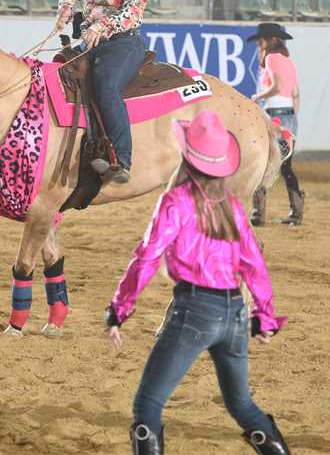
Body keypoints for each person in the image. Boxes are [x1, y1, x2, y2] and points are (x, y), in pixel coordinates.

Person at [105, 110, 291, 455]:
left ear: (188, 157)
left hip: (194, 311)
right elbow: (254, 265)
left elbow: (147, 257)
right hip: (235, 313)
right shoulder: (232, 207)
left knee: (148, 404)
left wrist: (119, 308)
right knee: (242, 405)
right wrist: (264, 317)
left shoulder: (176, 202)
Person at [54, 0, 154, 184]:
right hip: (89, 42)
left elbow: (130, 13)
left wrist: (100, 26)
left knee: (106, 84)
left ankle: (122, 158)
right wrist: (65, 9)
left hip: (123, 43)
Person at [248, 23, 304, 227]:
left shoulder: (271, 58)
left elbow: (276, 87)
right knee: (286, 167)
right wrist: (292, 117)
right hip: (289, 116)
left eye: (261, 40)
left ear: (271, 40)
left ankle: (258, 213)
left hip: (275, 117)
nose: (259, 43)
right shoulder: (288, 61)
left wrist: (258, 96)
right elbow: (295, 93)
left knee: (263, 163)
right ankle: (296, 212)